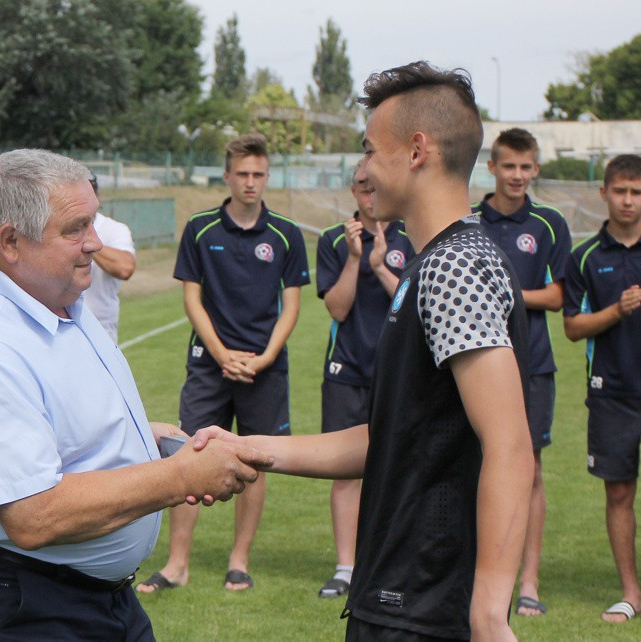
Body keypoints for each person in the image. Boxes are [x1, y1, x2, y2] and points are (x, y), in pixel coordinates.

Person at [196, 61, 535, 640]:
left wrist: (488, 612)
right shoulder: (428, 266)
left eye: (371, 151)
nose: (362, 170)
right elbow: (390, 438)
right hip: (395, 597)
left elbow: (509, 445)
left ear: (417, 150)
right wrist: (251, 448)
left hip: (427, 607)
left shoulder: (456, 265)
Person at [0, 149, 271, 641]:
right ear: (11, 241)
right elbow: (34, 513)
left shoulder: (46, 289)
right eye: (76, 228)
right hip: (4, 597)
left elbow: (52, 412)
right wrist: (179, 475)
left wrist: (138, 439)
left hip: (69, 593)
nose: (94, 243)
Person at [137, 133, 310, 593]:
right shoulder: (199, 228)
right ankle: (177, 565)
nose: (251, 182)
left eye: (259, 174)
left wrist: (265, 357)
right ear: (228, 176)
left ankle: (239, 561)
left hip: (264, 367)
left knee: (253, 461)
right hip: (209, 363)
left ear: (266, 176)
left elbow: (291, 306)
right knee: (186, 453)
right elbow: (191, 298)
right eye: (243, 174)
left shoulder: (287, 234)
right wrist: (221, 354)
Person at [563, 154, 641, 625]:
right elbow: (572, 327)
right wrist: (616, 312)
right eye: (619, 191)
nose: (627, 200)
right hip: (611, 395)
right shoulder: (585, 257)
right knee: (619, 496)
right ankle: (631, 594)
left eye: (636, 192)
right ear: (603, 194)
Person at [472, 128, 572, 617]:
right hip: (472, 364)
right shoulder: (467, 221)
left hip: (533, 366)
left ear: (535, 170)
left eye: (526, 167)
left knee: (528, 473)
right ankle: (482, 580)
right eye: (508, 166)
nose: (517, 175)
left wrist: (502, 294)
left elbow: (557, 296)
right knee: (472, 467)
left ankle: (528, 581)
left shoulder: (550, 224)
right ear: (491, 168)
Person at [315, 160, 412, 599]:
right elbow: (337, 308)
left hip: (401, 374)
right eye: (361, 186)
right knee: (346, 472)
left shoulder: (413, 237)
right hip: (346, 372)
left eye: (376, 185)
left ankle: (391, 564)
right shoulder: (335, 240)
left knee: (400, 470)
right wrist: (356, 260)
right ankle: (346, 568)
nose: (369, 193)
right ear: (353, 192)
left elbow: (415, 305)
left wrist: (380, 266)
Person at [83, 173, 136, 342]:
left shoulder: (114, 229)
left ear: (96, 198)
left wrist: (83, 235)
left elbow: (125, 268)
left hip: (101, 333)